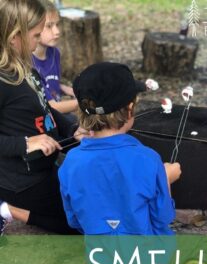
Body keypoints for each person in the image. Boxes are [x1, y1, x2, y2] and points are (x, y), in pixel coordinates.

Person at [58, 62, 182, 235]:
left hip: (100, 257)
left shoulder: (71, 162)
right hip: (150, 258)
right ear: (130, 109)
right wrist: (166, 179)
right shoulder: (148, 159)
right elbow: (163, 217)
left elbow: (74, 220)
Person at [0, 0, 87, 235]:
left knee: (89, 206)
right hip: (20, 181)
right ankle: (7, 210)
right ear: (14, 36)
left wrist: (71, 130)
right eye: (36, 35)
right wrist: (26, 142)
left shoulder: (27, 69)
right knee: (83, 222)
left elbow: (46, 110)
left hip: (43, 170)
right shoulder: (2, 80)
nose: (39, 41)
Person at [32, 0, 78, 122]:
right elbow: (52, 107)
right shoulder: (29, 63)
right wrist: (84, 103)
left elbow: (50, 82)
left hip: (56, 111)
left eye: (57, 24)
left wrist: (70, 90)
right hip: (44, 117)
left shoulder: (54, 53)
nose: (57, 31)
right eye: (49, 26)